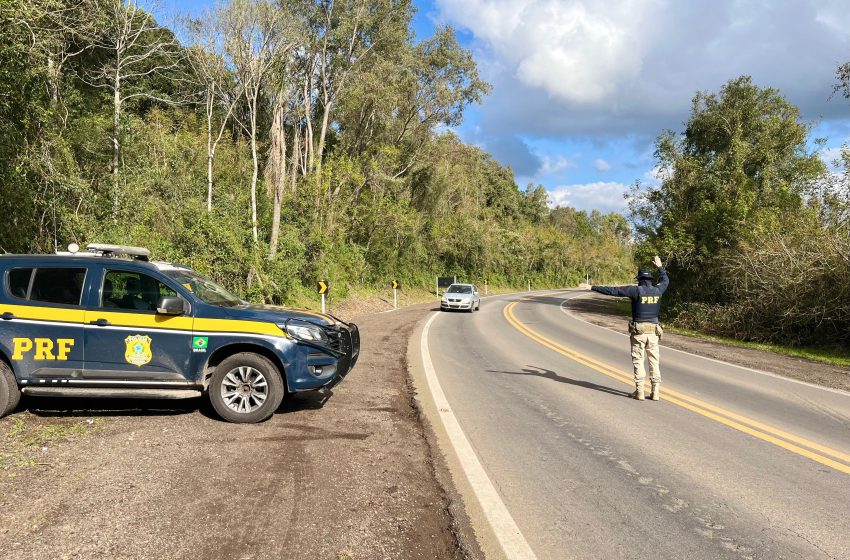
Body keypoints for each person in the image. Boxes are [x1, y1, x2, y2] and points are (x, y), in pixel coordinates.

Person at [578, 256, 669, 401]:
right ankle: (655, 391)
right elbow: (665, 281)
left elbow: (613, 291)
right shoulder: (658, 290)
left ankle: (639, 391)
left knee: (638, 360)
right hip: (653, 333)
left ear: (639, 280)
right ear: (651, 280)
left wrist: (591, 287)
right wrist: (660, 267)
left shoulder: (635, 291)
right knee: (654, 361)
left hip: (639, 332)